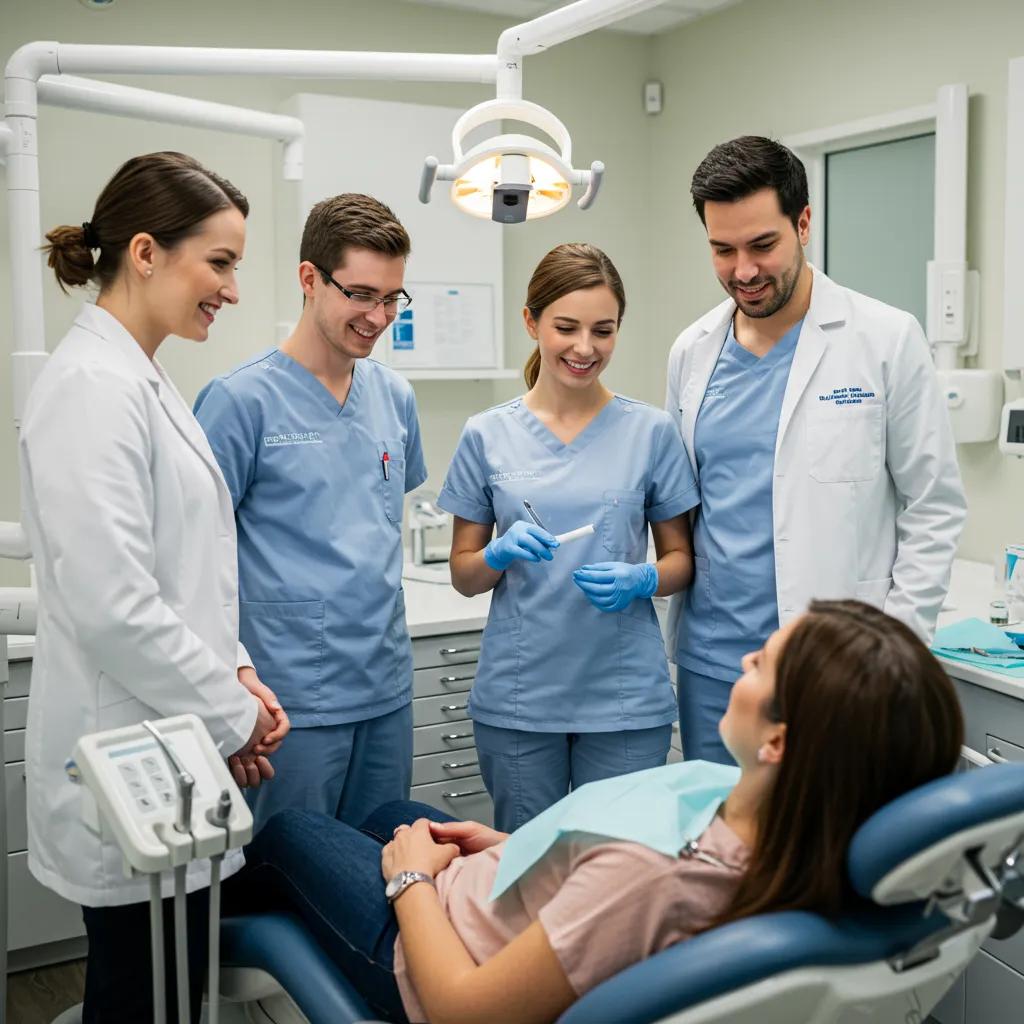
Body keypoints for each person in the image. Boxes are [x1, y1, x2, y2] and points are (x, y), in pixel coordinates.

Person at [238, 599, 964, 1024]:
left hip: (432, 964)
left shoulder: (655, 876)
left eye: (760, 664)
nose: (743, 663)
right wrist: (522, 849)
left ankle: (215, 942)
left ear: (779, 740)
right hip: (501, 904)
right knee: (395, 808)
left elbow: (467, 1011)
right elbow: (612, 887)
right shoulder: (783, 829)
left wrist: (411, 883)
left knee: (290, 833)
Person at [21, 151, 290, 1023]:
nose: (232, 290)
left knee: (172, 984)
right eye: (220, 263)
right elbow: (114, 605)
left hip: (168, 744)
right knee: (138, 993)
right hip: (123, 757)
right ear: (145, 251)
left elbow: (189, 574)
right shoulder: (92, 387)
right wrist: (233, 711)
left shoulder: (141, 377)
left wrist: (237, 678)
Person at [665, 135, 967, 764]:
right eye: (722, 250)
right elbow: (681, 507)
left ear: (804, 223)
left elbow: (932, 507)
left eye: (762, 245)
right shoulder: (692, 353)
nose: (743, 270)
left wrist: (898, 650)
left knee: (824, 850)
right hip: (714, 666)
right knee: (719, 846)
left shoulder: (884, 339)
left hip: (838, 673)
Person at [435, 243, 698, 831]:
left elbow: (682, 558)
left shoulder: (650, 432)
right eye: (566, 327)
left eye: (603, 331)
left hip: (625, 700)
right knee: (527, 870)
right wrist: (497, 554)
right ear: (531, 322)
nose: (585, 348)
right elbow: (463, 574)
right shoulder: (487, 436)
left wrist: (646, 577)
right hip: (521, 700)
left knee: (617, 868)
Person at [193, 194, 426, 832]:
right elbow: (193, 560)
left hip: (383, 688)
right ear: (308, 278)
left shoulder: (395, 399)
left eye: (392, 298)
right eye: (361, 294)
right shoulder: (239, 402)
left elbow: (369, 530)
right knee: (288, 883)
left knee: (386, 876)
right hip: (286, 700)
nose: (379, 317)